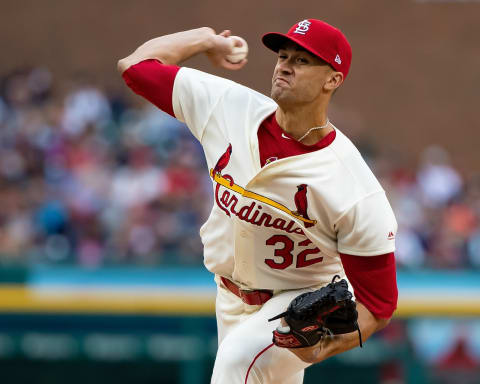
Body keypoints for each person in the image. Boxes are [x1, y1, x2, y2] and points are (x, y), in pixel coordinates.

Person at [118, 19, 398, 384]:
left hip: (296, 306)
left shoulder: (353, 187)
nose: (284, 65)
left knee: (235, 365)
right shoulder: (227, 106)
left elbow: (378, 305)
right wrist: (204, 40)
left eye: (302, 60)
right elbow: (135, 67)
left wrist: (322, 348)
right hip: (228, 298)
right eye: (283, 55)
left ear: (333, 79)